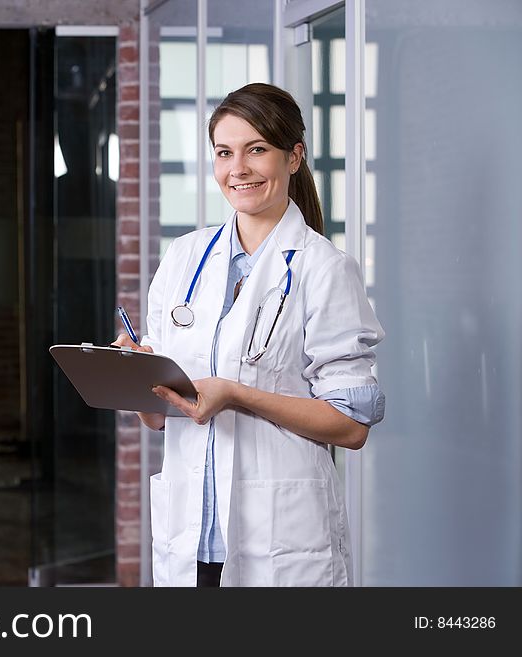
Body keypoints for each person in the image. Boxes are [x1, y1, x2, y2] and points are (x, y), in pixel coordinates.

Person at [112, 82, 385, 587]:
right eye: (224, 152)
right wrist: (136, 376)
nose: (237, 168)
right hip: (191, 540)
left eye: (256, 149)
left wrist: (236, 394)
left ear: (294, 157)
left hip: (281, 542)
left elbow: (352, 425)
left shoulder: (324, 269)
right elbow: (159, 419)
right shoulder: (183, 259)